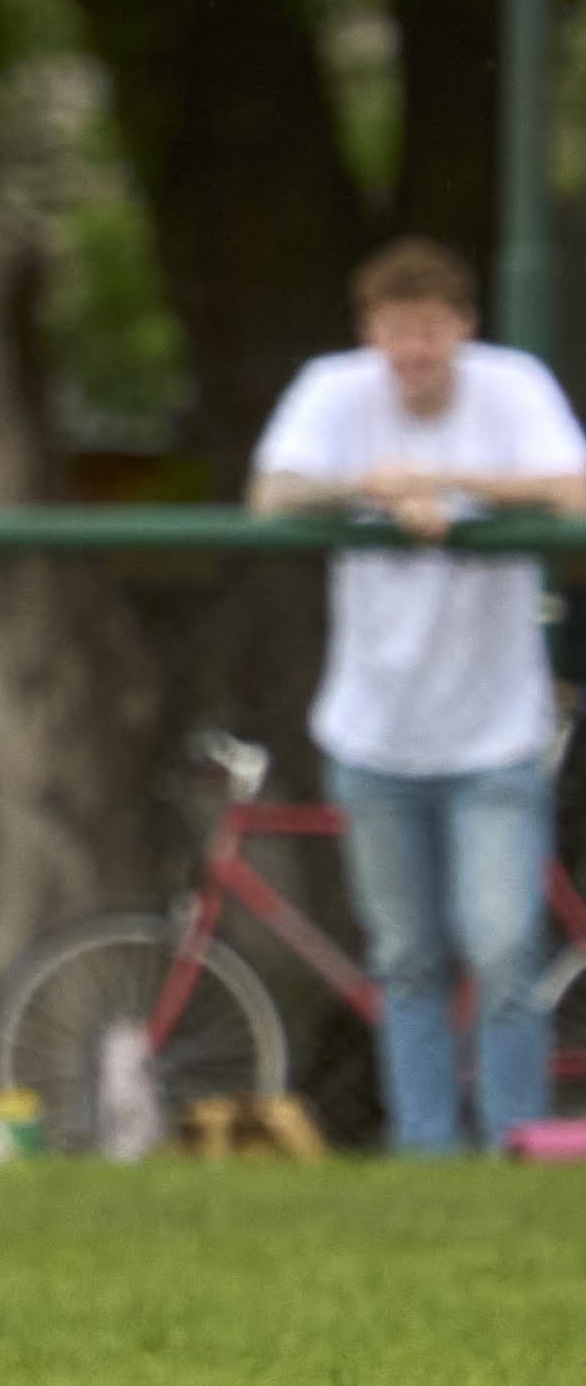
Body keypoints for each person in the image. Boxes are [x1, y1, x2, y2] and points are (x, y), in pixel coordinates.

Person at [248, 236, 586, 1155]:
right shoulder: (333, 389)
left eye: (431, 331)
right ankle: (425, 1149)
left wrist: (450, 483)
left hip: (494, 737)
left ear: (463, 329)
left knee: (501, 948)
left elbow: (573, 489)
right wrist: (370, 490)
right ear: (370, 333)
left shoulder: (511, 386)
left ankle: (510, 1142)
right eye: (396, 331)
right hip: (373, 734)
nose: (413, 351)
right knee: (404, 958)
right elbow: (273, 494)